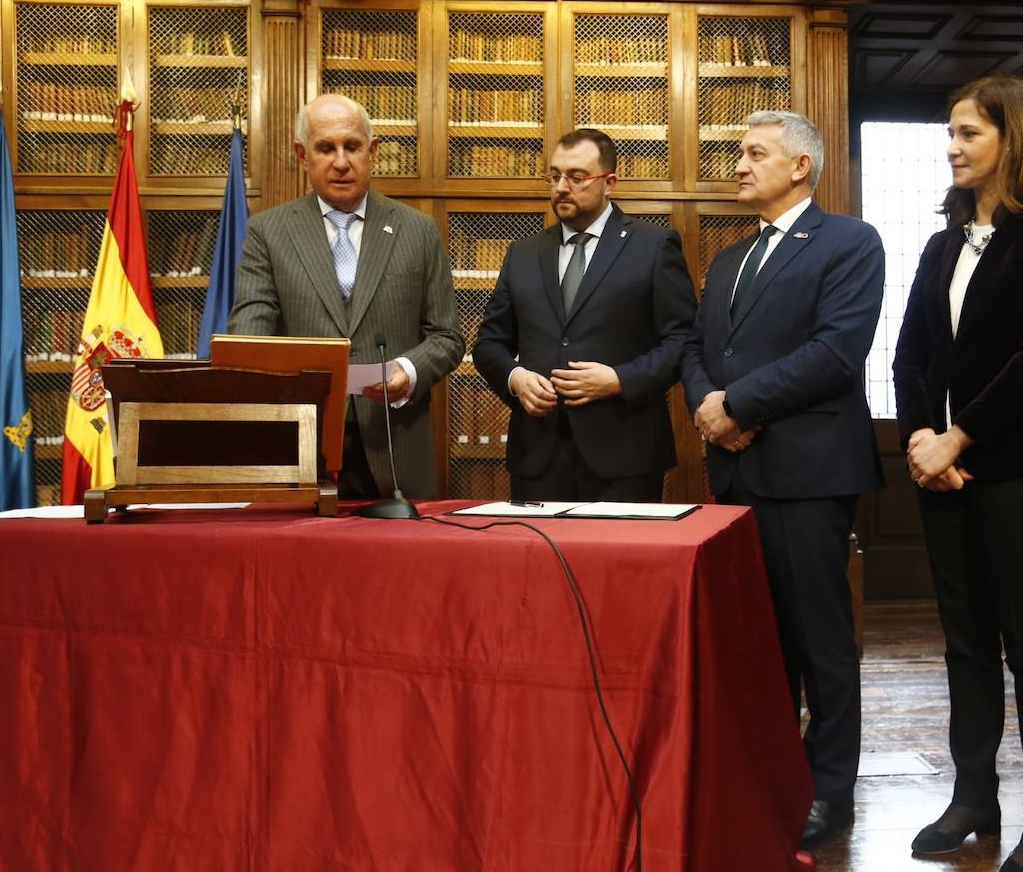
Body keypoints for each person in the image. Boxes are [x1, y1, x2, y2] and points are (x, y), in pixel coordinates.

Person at [892, 74, 1023, 872]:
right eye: (951, 132)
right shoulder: (943, 243)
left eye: (969, 132)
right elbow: (910, 354)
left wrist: (958, 438)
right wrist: (919, 439)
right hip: (944, 474)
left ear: (1015, 139)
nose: (953, 146)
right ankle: (974, 797)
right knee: (965, 645)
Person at [681, 110, 885, 849]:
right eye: (739, 153)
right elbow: (696, 349)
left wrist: (736, 405)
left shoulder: (850, 243)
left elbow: (836, 353)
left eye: (753, 153)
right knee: (760, 643)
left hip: (808, 474)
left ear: (801, 166)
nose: (738, 165)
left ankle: (829, 791)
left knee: (820, 641)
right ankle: (774, 774)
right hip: (736, 474)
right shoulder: (730, 261)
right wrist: (710, 406)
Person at [228, 94, 463, 499]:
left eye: (352, 146)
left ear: (372, 152)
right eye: (326, 148)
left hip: (394, 446)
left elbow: (447, 337)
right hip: (302, 447)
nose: (340, 161)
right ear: (303, 156)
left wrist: (408, 369)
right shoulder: (269, 233)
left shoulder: (417, 231)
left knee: (400, 563)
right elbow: (249, 340)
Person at [473, 128, 697, 502]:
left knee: (618, 562)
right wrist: (516, 378)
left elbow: (684, 340)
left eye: (576, 177)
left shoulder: (654, 247)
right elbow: (489, 344)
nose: (562, 186)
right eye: (555, 175)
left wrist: (620, 380)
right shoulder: (523, 253)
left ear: (609, 182)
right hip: (538, 457)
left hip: (624, 456)